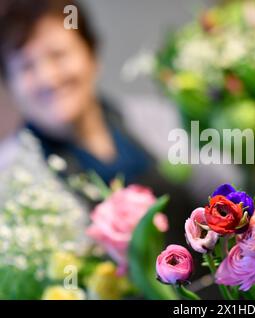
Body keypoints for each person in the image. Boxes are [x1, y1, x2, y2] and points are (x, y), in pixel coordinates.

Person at [0, 0, 200, 243]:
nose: (47, 77)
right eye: (26, 67)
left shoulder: (156, 117)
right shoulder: (9, 177)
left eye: (58, 55)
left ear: (92, 53)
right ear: (11, 86)